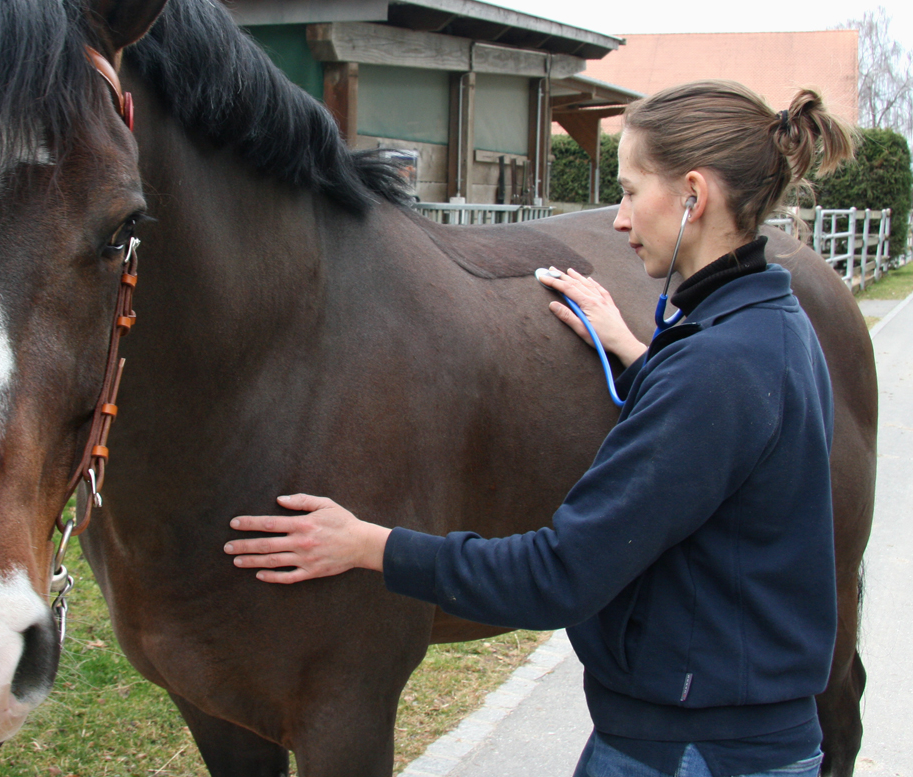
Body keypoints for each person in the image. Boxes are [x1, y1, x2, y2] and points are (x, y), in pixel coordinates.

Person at [225, 80, 858, 777]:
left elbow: (559, 576)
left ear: (693, 196)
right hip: (733, 731)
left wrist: (368, 544)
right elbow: (719, 435)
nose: (618, 220)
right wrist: (637, 354)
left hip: (689, 751)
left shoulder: (715, 369)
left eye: (629, 191)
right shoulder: (770, 327)